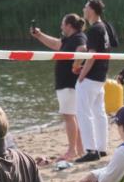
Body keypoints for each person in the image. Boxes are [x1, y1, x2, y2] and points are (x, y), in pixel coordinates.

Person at [31, 13, 86, 162]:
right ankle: (80, 149)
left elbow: (82, 49)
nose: (61, 26)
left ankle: (72, 150)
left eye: (63, 24)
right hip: (66, 83)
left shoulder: (78, 37)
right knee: (73, 116)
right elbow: (56, 44)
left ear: (69, 25)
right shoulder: (69, 40)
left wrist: (76, 63)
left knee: (69, 116)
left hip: (69, 83)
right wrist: (39, 35)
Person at [74, 0, 113, 163]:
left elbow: (91, 55)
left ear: (91, 10)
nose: (83, 9)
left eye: (85, 7)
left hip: (91, 77)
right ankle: (102, 148)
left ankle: (90, 149)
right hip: (101, 76)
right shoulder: (105, 27)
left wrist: (82, 74)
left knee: (84, 112)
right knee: (99, 112)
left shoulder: (94, 29)